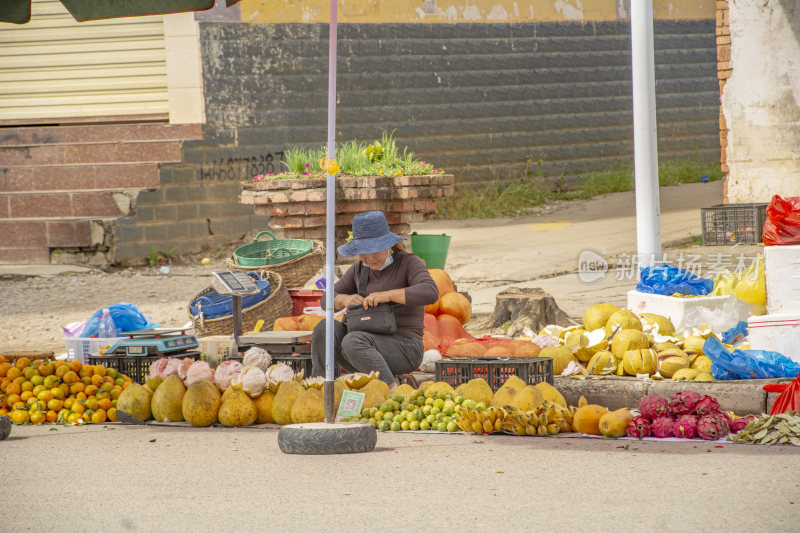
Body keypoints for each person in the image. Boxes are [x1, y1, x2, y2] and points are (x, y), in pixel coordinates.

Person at [311, 211, 439, 392]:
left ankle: (392, 390)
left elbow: (431, 292)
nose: (369, 258)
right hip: (360, 348)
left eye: (374, 251)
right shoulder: (359, 269)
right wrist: (345, 299)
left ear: (388, 245)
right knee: (324, 328)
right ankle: (321, 388)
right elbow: (326, 300)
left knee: (352, 340)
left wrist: (388, 295)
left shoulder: (409, 263)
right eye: (363, 252)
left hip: (405, 348)